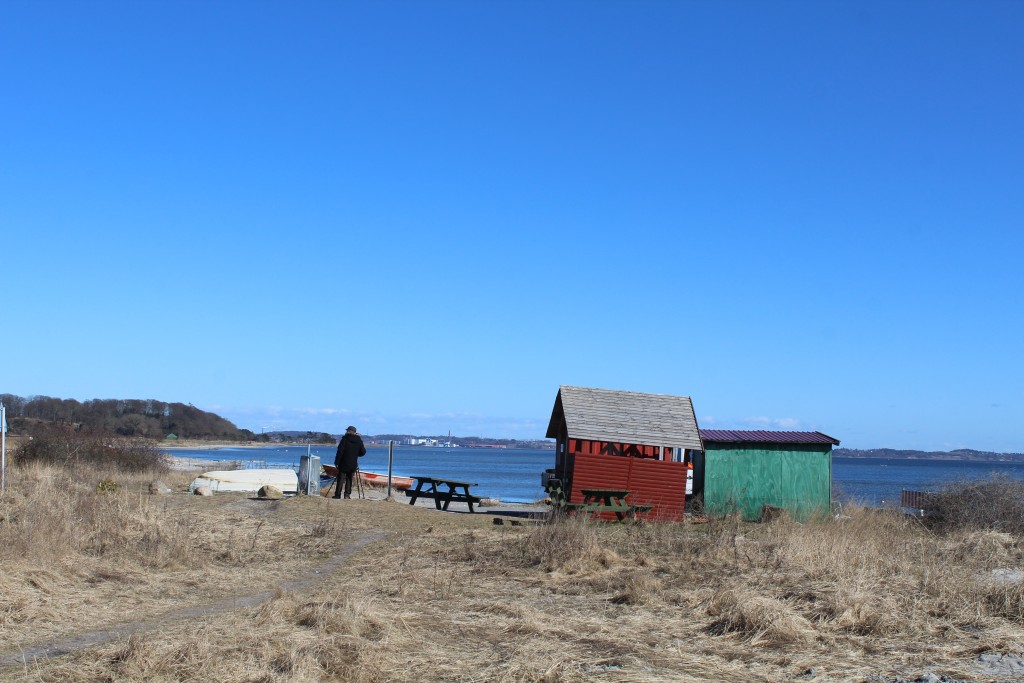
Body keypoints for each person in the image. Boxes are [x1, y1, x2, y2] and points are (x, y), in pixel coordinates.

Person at [333, 425, 366, 499]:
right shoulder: (359, 440)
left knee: (340, 479)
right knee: (349, 479)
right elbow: (363, 452)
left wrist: (336, 462)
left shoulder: (345, 439)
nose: (346, 431)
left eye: (347, 430)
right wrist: (356, 455)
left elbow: (340, 452)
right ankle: (347, 495)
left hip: (343, 462)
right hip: (353, 463)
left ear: (349, 431)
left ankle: (337, 495)